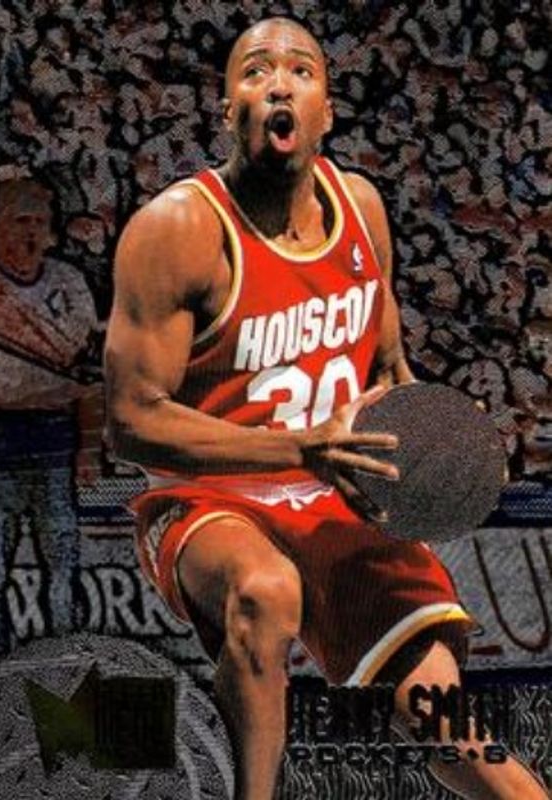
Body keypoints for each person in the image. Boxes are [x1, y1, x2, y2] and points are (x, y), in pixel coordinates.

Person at [105, 18, 547, 800]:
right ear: (228, 109)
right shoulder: (178, 230)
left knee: (444, 718)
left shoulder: (362, 210)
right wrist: (300, 450)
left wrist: (443, 444)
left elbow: (390, 372)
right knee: (265, 591)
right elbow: (133, 420)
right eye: (255, 71)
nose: (278, 83)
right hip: (210, 498)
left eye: (301, 70)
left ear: (328, 112)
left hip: (335, 498)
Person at [0, 174, 100, 656]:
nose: (30, 232)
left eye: (39, 221)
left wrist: (88, 449)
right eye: (20, 221)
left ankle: (63, 661)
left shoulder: (69, 285)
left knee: (62, 566)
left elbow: (89, 377)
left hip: (55, 445)